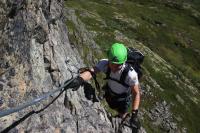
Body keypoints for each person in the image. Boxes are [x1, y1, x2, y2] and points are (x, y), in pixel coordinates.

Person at [67, 43, 141, 129]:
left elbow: (136, 93)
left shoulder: (131, 74)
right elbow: (92, 71)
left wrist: (134, 114)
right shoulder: (104, 63)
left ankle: (122, 118)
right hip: (110, 94)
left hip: (123, 99)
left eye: (118, 65)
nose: (114, 67)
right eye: (112, 63)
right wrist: (79, 79)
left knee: (122, 113)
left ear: (124, 62)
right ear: (109, 59)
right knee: (113, 106)